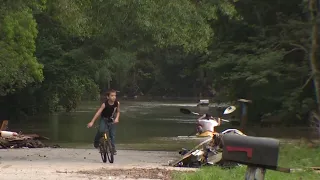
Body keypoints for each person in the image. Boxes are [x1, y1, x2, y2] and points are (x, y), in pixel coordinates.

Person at [87, 89, 120, 155]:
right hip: (104, 119)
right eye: (112, 95)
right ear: (108, 97)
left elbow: (118, 111)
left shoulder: (117, 103)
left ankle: (113, 149)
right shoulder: (104, 104)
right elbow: (98, 113)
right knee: (101, 130)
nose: (114, 97)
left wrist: (117, 118)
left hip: (112, 120)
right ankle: (96, 142)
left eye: (115, 95)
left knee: (112, 135)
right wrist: (92, 122)